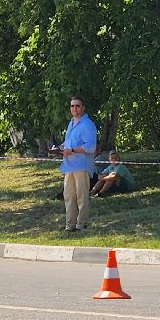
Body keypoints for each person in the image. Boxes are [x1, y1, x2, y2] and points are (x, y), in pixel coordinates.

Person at [58, 96, 97, 231]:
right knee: (68, 196)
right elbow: (68, 143)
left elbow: (91, 146)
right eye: (72, 106)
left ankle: (82, 223)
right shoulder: (71, 123)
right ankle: (70, 224)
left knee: (81, 195)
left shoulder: (87, 124)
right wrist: (59, 148)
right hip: (69, 165)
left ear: (83, 108)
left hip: (81, 165)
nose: (75, 108)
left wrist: (73, 150)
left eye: (78, 106)